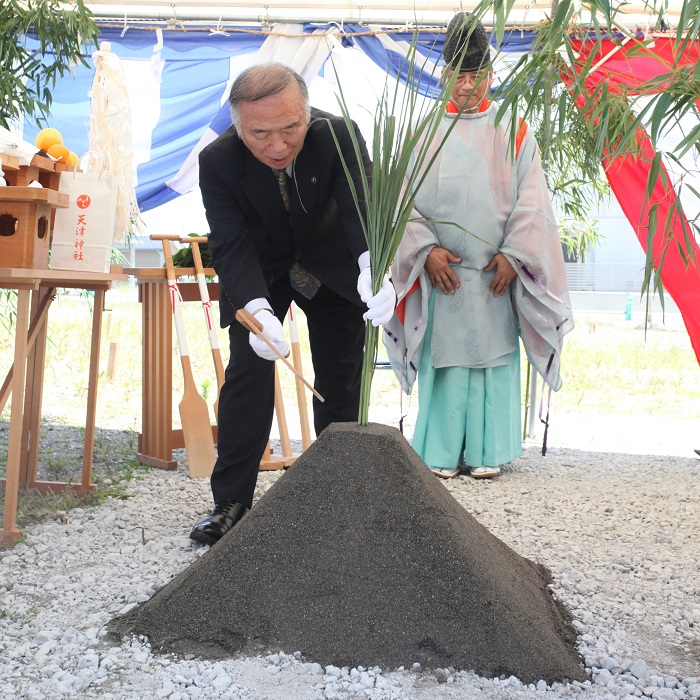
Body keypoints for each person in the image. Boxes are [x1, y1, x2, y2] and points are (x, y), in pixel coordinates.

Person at [191, 63, 395, 545]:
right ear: (237, 125)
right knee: (248, 369)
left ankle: (336, 493)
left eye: (291, 128)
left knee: (340, 374)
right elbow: (230, 243)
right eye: (260, 134)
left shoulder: (337, 135)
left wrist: (373, 264)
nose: (278, 146)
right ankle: (231, 501)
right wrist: (257, 310)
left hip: (330, 260)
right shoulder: (217, 161)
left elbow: (359, 206)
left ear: (308, 112)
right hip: (261, 269)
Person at [383, 13, 573, 480]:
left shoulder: (516, 130)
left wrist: (513, 255)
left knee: (494, 355)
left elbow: (534, 203)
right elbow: (400, 204)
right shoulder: (418, 134)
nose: (467, 85)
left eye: (476, 75)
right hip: (440, 272)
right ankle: (441, 452)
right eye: (458, 75)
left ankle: (491, 451)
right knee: (444, 359)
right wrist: (425, 250)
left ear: (489, 74)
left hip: (495, 272)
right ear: (444, 74)